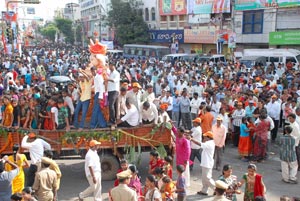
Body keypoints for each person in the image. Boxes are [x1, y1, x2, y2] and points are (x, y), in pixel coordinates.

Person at [188, 131, 215, 196]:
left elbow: (200, 144)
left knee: (207, 178)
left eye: (205, 137)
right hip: (206, 163)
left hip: (207, 163)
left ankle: (217, 189)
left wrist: (191, 139)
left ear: (208, 137)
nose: (203, 138)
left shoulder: (209, 143)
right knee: (204, 178)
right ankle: (204, 190)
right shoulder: (209, 143)